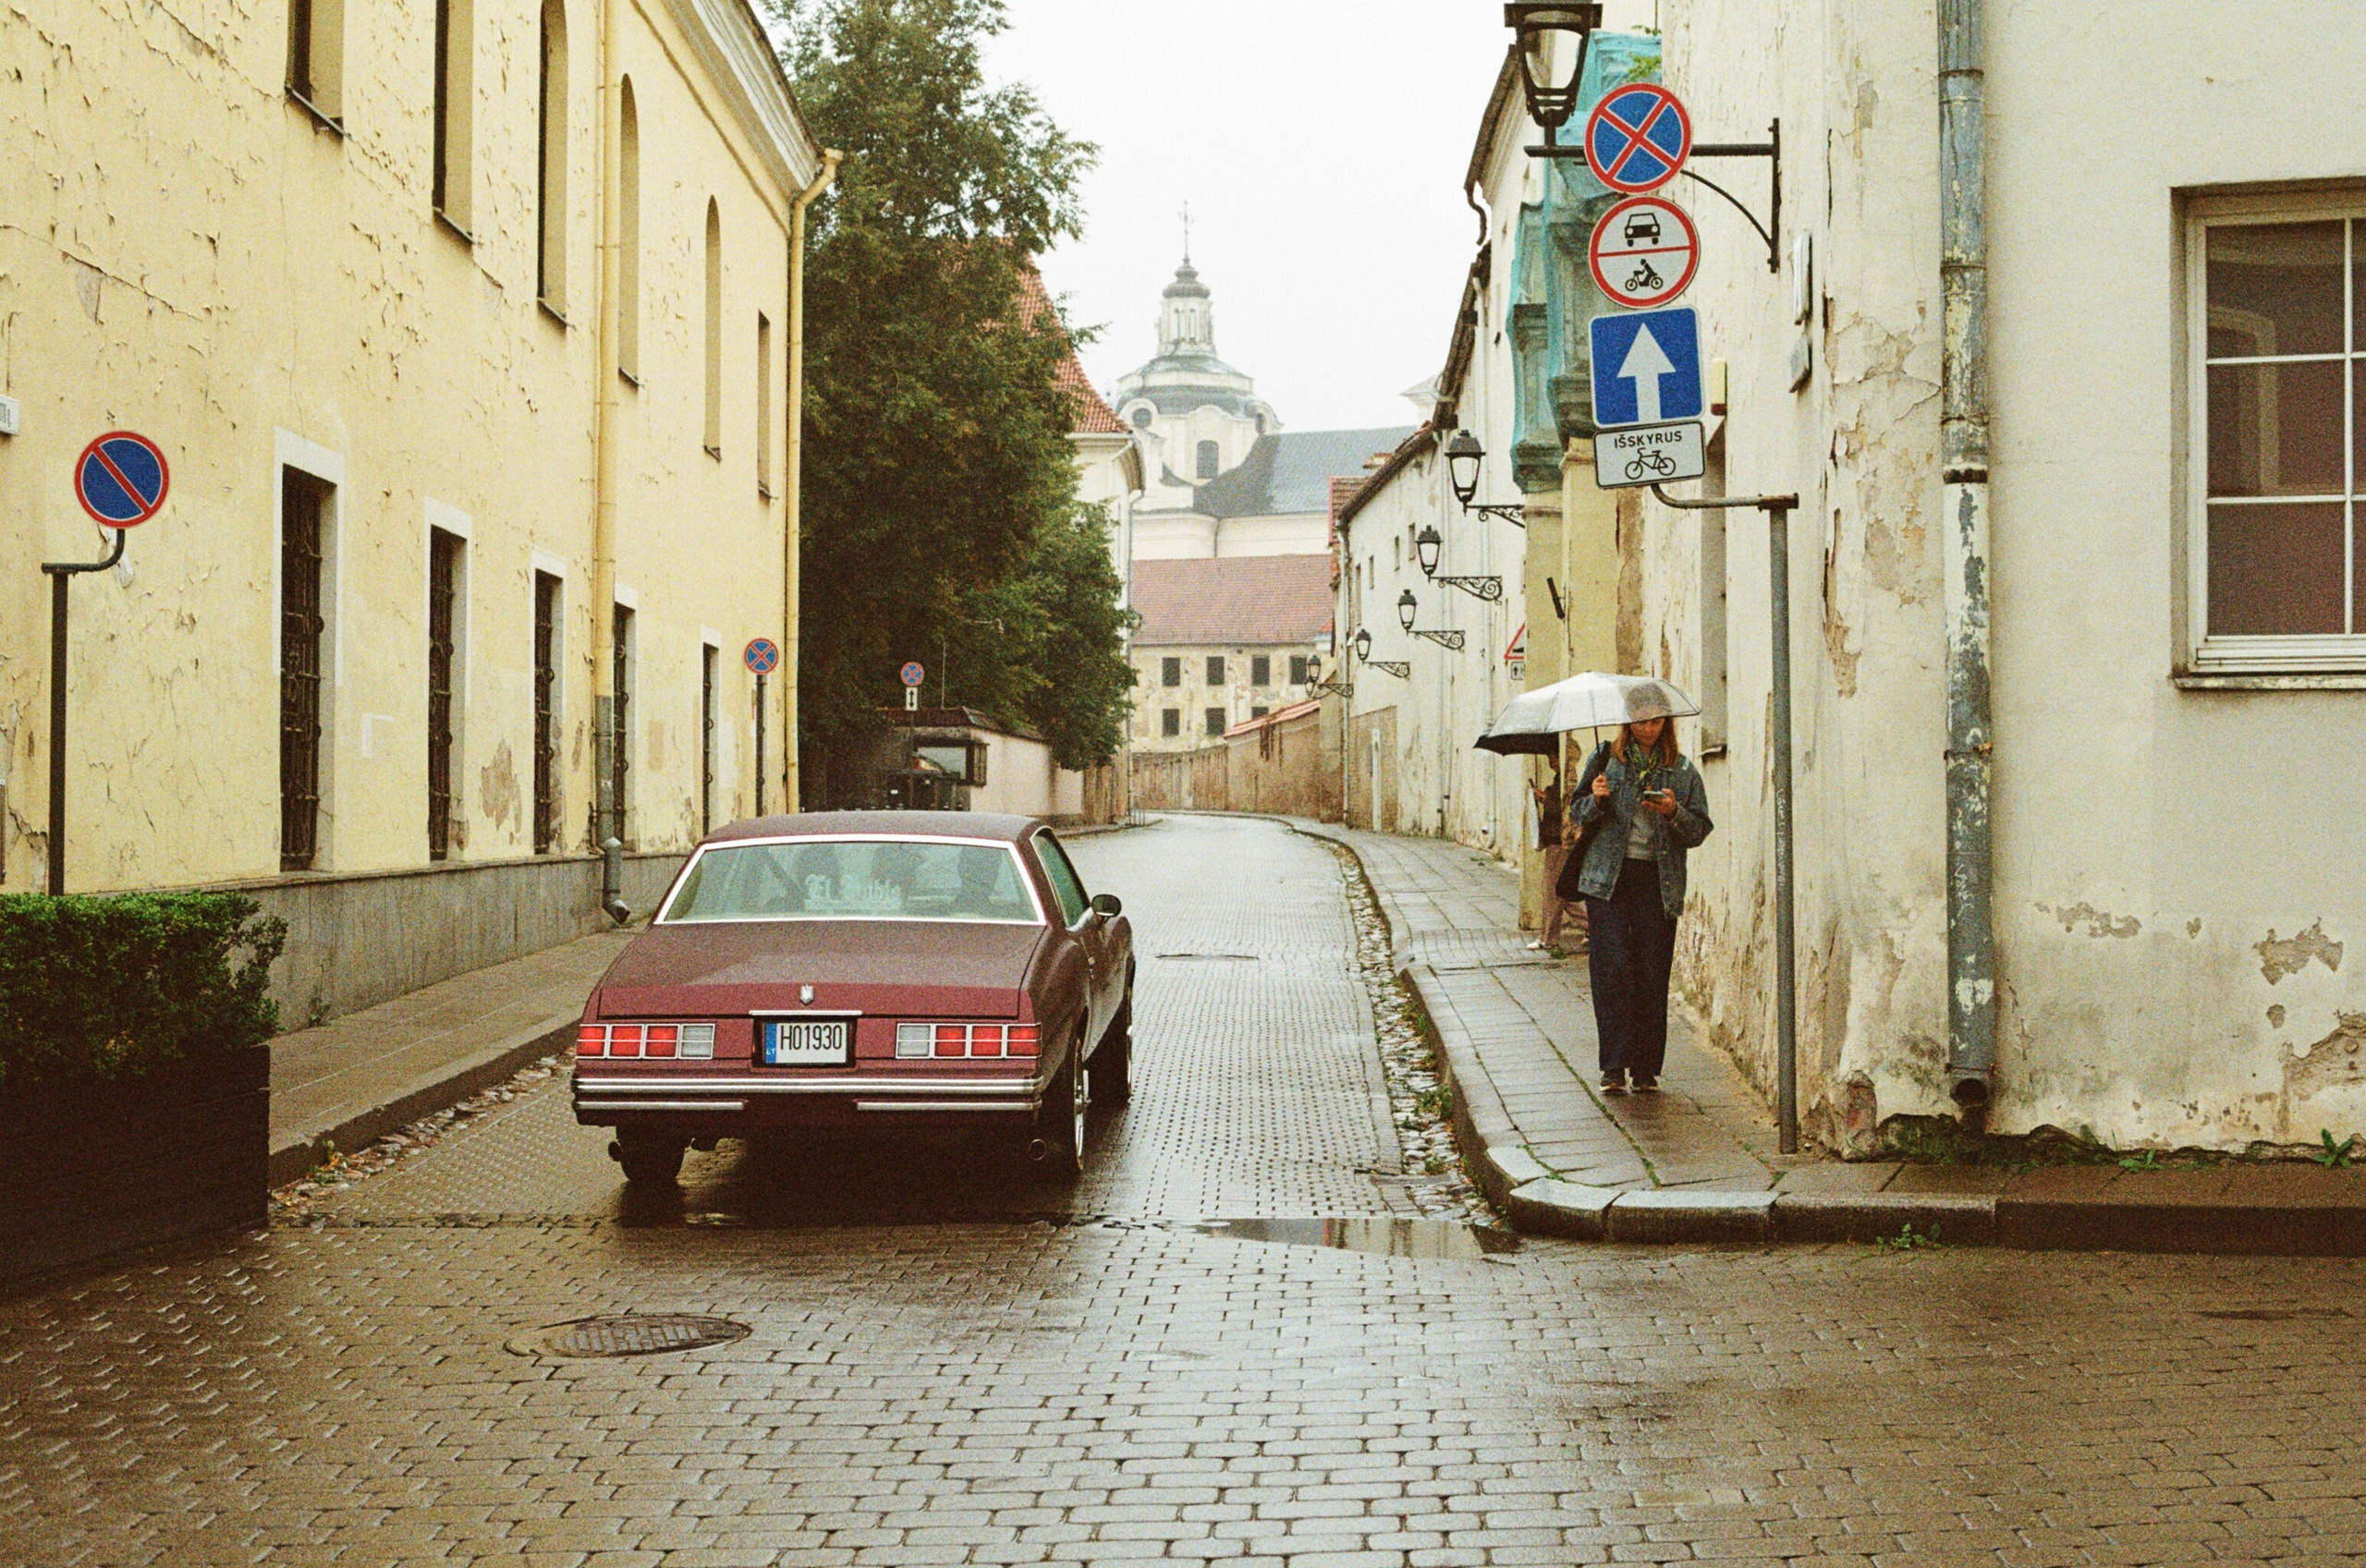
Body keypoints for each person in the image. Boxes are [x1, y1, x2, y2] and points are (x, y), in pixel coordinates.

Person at [1569, 715, 1713, 1094]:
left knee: (1651, 971)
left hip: (1657, 881)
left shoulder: (1681, 770)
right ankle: (1614, 1066)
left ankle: (1645, 1068)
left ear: (1666, 724)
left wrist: (1673, 812)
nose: (1648, 729)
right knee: (1612, 968)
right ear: (1629, 722)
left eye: (1656, 721)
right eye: (1641, 721)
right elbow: (1575, 810)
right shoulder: (1606, 759)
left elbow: (1700, 829)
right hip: (1608, 879)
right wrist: (1596, 800)